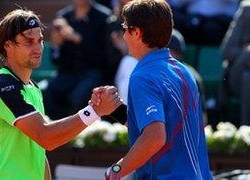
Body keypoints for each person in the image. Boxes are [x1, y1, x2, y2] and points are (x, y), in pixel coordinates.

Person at [0, 9, 122, 179]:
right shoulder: (1, 85)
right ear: (8, 46)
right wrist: (94, 111)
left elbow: (39, 151)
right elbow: (45, 137)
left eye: (40, 41)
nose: (38, 47)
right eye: (28, 41)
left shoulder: (33, 88)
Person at [91, 0, 212, 179]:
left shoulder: (142, 76)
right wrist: (115, 110)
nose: (123, 35)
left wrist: (117, 170)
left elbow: (155, 137)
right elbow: (167, 126)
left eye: (125, 28)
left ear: (137, 32)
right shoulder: (183, 71)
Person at [43, 0, 111, 119]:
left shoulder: (104, 17)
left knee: (78, 97)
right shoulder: (63, 16)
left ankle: (79, 134)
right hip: (69, 72)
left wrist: (77, 38)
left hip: (93, 72)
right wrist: (56, 45)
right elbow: (56, 60)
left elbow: (103, 57)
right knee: (49, 92)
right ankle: (57, 133)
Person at [220, 0, 250, 126]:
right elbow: (227, 50)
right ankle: (247, 131)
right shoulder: (247, 10)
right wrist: (247, 53)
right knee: (247, 77)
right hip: (238, 75)